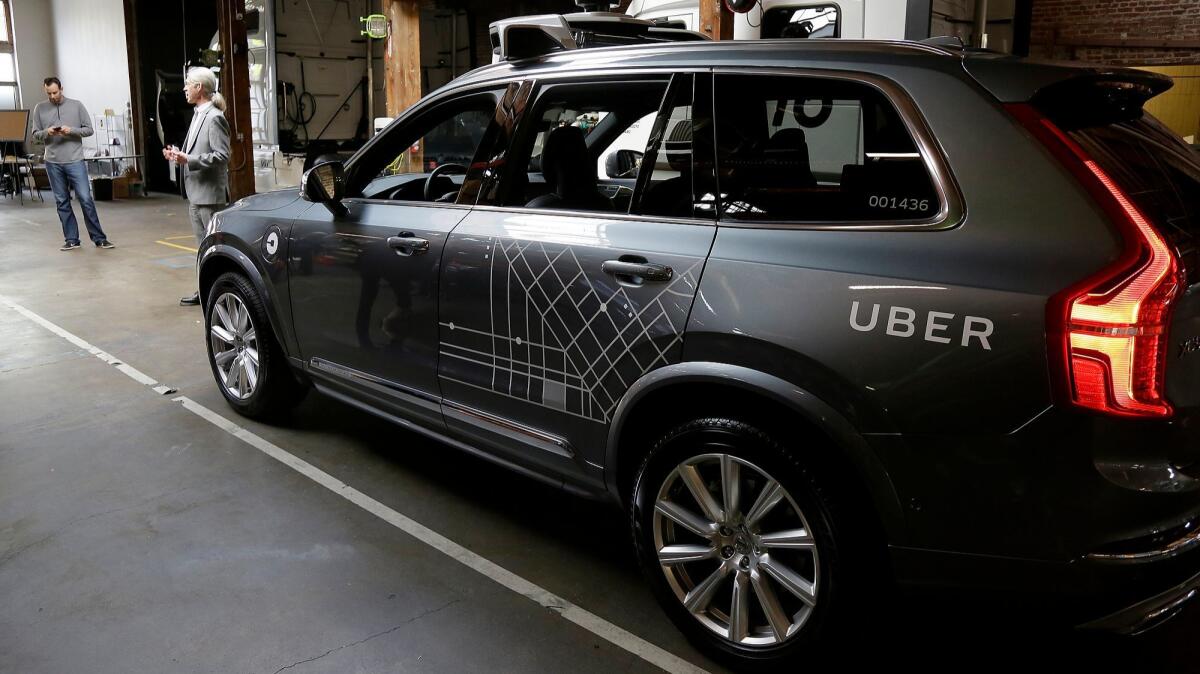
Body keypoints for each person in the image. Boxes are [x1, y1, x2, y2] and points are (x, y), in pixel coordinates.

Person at [165, 66, 230, 306]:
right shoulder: (198, 114)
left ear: (199, 88)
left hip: (210, 196)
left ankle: (219, 291)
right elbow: (197, 151)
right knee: (203, 247)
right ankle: (206, 290)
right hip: (196, 194)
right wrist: (178, 155)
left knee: (215, 249)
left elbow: (222, 155)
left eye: (188, 84)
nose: (184, 88)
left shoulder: (214, 117)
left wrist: (188, 160)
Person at [31, 77, 114, 251]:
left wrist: (72, 130)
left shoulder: (76, 105)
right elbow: (35, 134)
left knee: (85, 198)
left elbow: (89, 129)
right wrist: (47, 132)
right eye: (49, 93)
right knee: (62, 201)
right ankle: (72, 240)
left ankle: (99, 238)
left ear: (61, 88)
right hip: (52, 162)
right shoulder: (40, 108)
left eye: (55, 92)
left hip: (75, 160)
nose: (53, 96)